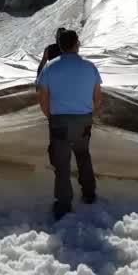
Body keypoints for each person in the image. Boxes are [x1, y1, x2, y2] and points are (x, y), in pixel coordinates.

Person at [35, 29, 103, 220]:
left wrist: (51, 116)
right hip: (84, 121)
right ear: (77, 44)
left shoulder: (50, 68)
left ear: (60, 46)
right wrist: (89, 114)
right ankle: (89, 194)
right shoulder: (90, 67)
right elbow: (98, 97)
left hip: (59, 122)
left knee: (62, 164)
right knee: (83, 154)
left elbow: (43, 98)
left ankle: (64, 204)